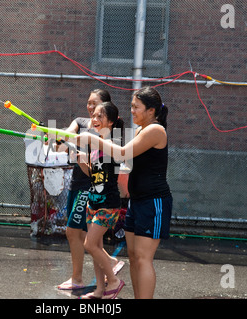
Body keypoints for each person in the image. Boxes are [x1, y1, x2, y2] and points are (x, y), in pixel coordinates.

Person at [75, 87, 172, 299]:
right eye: (132, 106)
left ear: (151, 110)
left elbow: (121, 153)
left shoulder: (155, 130)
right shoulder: (139, 131)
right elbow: (123, 161)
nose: (133, 111)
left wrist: (93, 139)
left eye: (136, 107)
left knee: (144, 258)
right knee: (135, 256)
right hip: (136, 201)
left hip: (153, 202)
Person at [57, 89, 124, 290]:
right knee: (84, 238)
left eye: (96, 106)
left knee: (79, 235)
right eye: (89, 104)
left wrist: (64, 139)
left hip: (94, 192)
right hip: (81, 186)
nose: (91, 109)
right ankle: (100, 281)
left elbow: (83, 142)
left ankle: (86, 277)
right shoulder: (83, 124)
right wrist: (56, 139)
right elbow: (64, 144)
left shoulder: (106, 137)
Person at [74, 101, 125, 299]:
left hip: (108, 204)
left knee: (89, 245)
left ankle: (113, 280)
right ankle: (99, 290)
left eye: (100, 116)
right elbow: (92, 174)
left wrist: (90, 139)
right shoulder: (95, 146)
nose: (94, 119)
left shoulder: (113, 143)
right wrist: (82, 162)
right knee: (97, 248)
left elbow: (116, 154)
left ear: (111, 122)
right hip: (93, 202)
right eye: (93, 116)